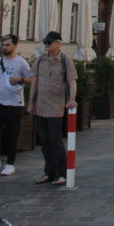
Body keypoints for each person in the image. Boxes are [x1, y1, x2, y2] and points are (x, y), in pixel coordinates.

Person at [27, 31, 77, 186]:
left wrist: (72, 100)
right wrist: (31, 102)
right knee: (44, 141)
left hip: (55, 106)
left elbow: (72, 81)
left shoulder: (65, 60)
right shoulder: (41, 60)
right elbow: (35, 81)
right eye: (45, 43)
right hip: (40, 105)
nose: (46, 45)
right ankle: (49, 171)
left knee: (55, 140)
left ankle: (62, 173)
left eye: (49, 43)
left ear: (58, 44)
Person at [0, 34, 34, 176]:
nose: (4, 47)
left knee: (13, 134)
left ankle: (10, 163)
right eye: (3, 45)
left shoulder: (21, 62)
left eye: (8, 45)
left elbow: (31, 79)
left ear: (15, 46)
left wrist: (20, 79)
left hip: (15, 103)